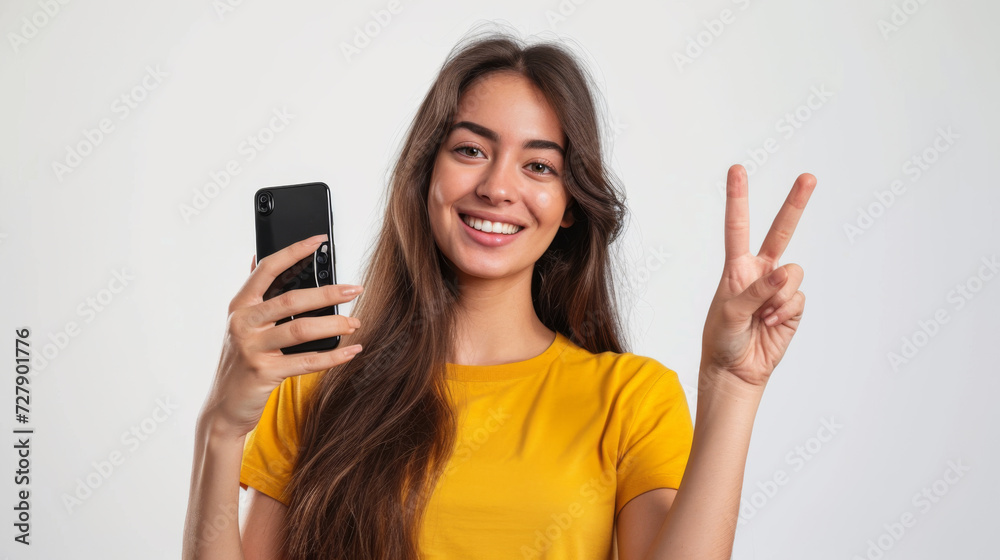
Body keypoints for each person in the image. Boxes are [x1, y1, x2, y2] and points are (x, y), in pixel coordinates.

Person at [182, 26, 815, 560]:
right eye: (470, 150)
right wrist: (220, 428)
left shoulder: (630, 399)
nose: (497, 187)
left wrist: (733, 384)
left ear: (569, 206)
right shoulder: (316, 387)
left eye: (538, 165)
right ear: (426, 173)